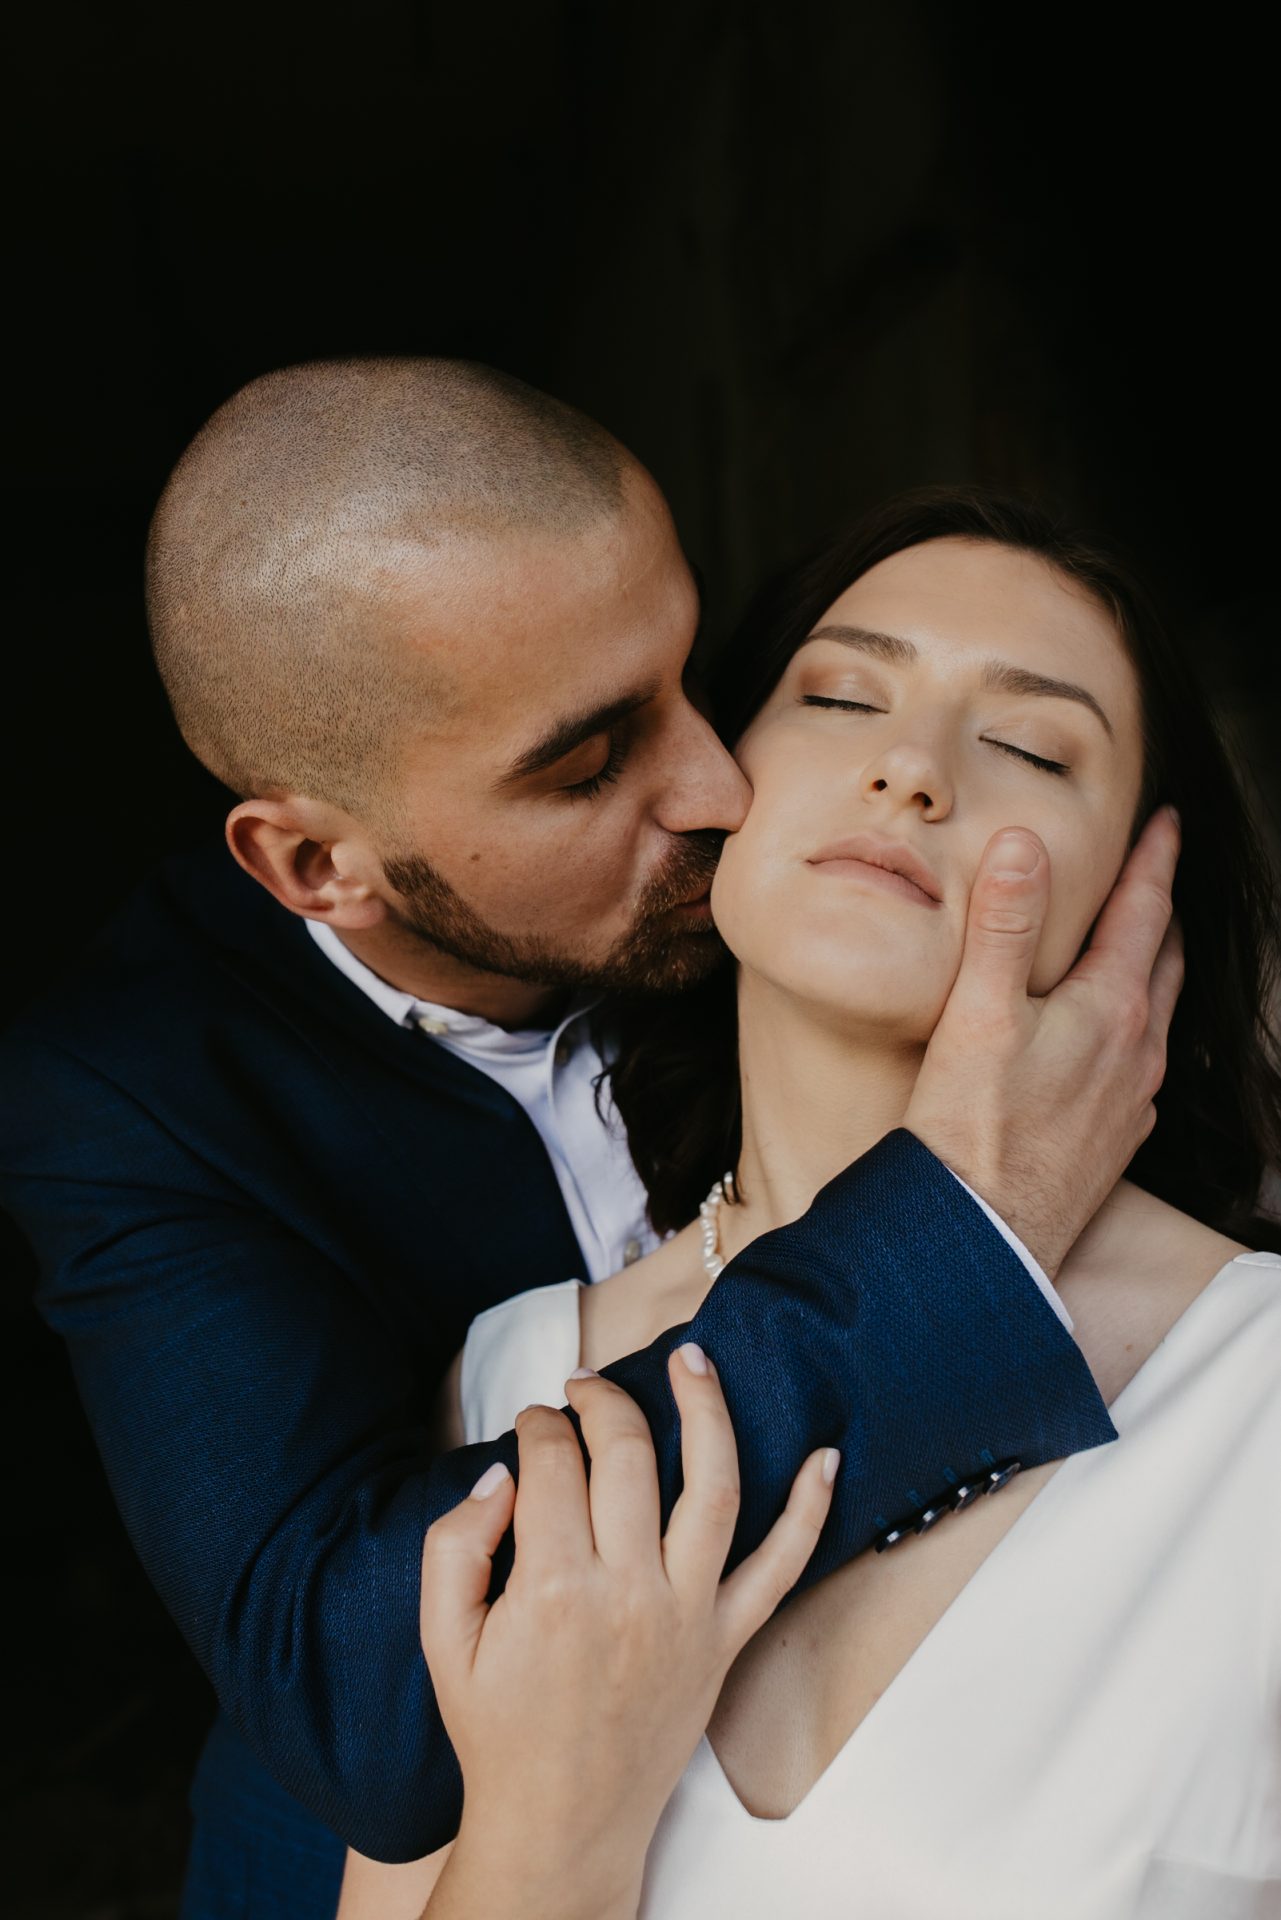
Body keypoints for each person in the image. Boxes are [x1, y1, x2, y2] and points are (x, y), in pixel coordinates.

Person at [0, 366, 1178, 1914]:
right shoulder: (135, 1090)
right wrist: (959, 1232)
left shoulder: (784, 904)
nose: (715, 783)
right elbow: (355, 1681)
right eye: (585, 764)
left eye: (697, 674)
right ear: (318, 864)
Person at [338, 487, 1281, 1919]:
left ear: (1139, 894)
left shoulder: (1256, 1385)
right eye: (839, 698)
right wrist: (557, 1825)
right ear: (711, 783)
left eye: (1033, 747)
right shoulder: (516, 1374)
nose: (910, 768)